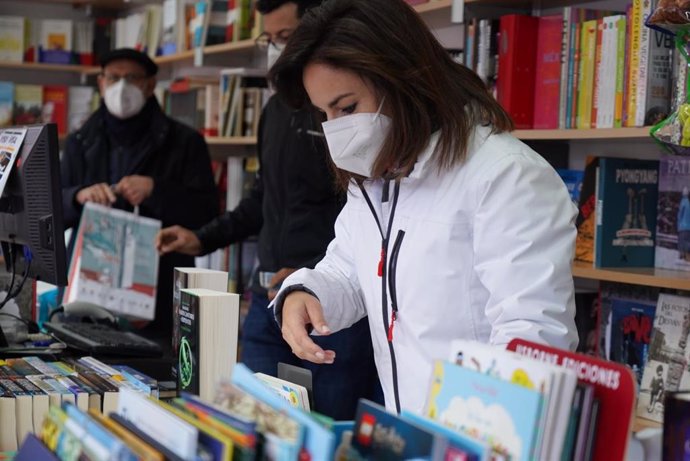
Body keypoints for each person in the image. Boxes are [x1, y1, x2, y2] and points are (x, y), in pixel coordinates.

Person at [268, 0, 579, 414]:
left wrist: (477, 436)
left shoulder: (506, 176)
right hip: (413, 430)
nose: (335, 129)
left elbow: (534, 337)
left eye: (346, 108)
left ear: (400, 79)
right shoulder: (379, 178)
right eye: (324, 113)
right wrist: (304, 293)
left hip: (484, 434)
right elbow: (348, 270)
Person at [155, 0, 379, 420]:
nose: (278, 49)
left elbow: (366, 217)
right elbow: (262, 198)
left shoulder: (353, 117)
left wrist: (309, 272)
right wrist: (202, 237)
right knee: (251, 424)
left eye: (286, 36)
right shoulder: (274, 110)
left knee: (324, 431)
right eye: (270, 39)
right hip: (267, 304)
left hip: (331, 311)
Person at [61, 48, 219, 344]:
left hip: (157, 298)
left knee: (153, 383)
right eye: (114, 77)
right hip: (86, 295)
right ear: (101, 83)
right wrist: (78, 196)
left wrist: (156, 191)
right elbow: (50, 211)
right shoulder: (79, 141)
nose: (122, 87)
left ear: (149, 84)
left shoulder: (186, 142)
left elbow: (207, 213)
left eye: (132, 78)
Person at [678, 186, 690, 261]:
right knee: (687, 241)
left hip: (683, 226)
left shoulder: (683, 202)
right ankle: (687, 256)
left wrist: (678, 225)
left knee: (682, 241)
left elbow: (680, 214)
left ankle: (683, 256)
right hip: (688, 227)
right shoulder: (688, 202)